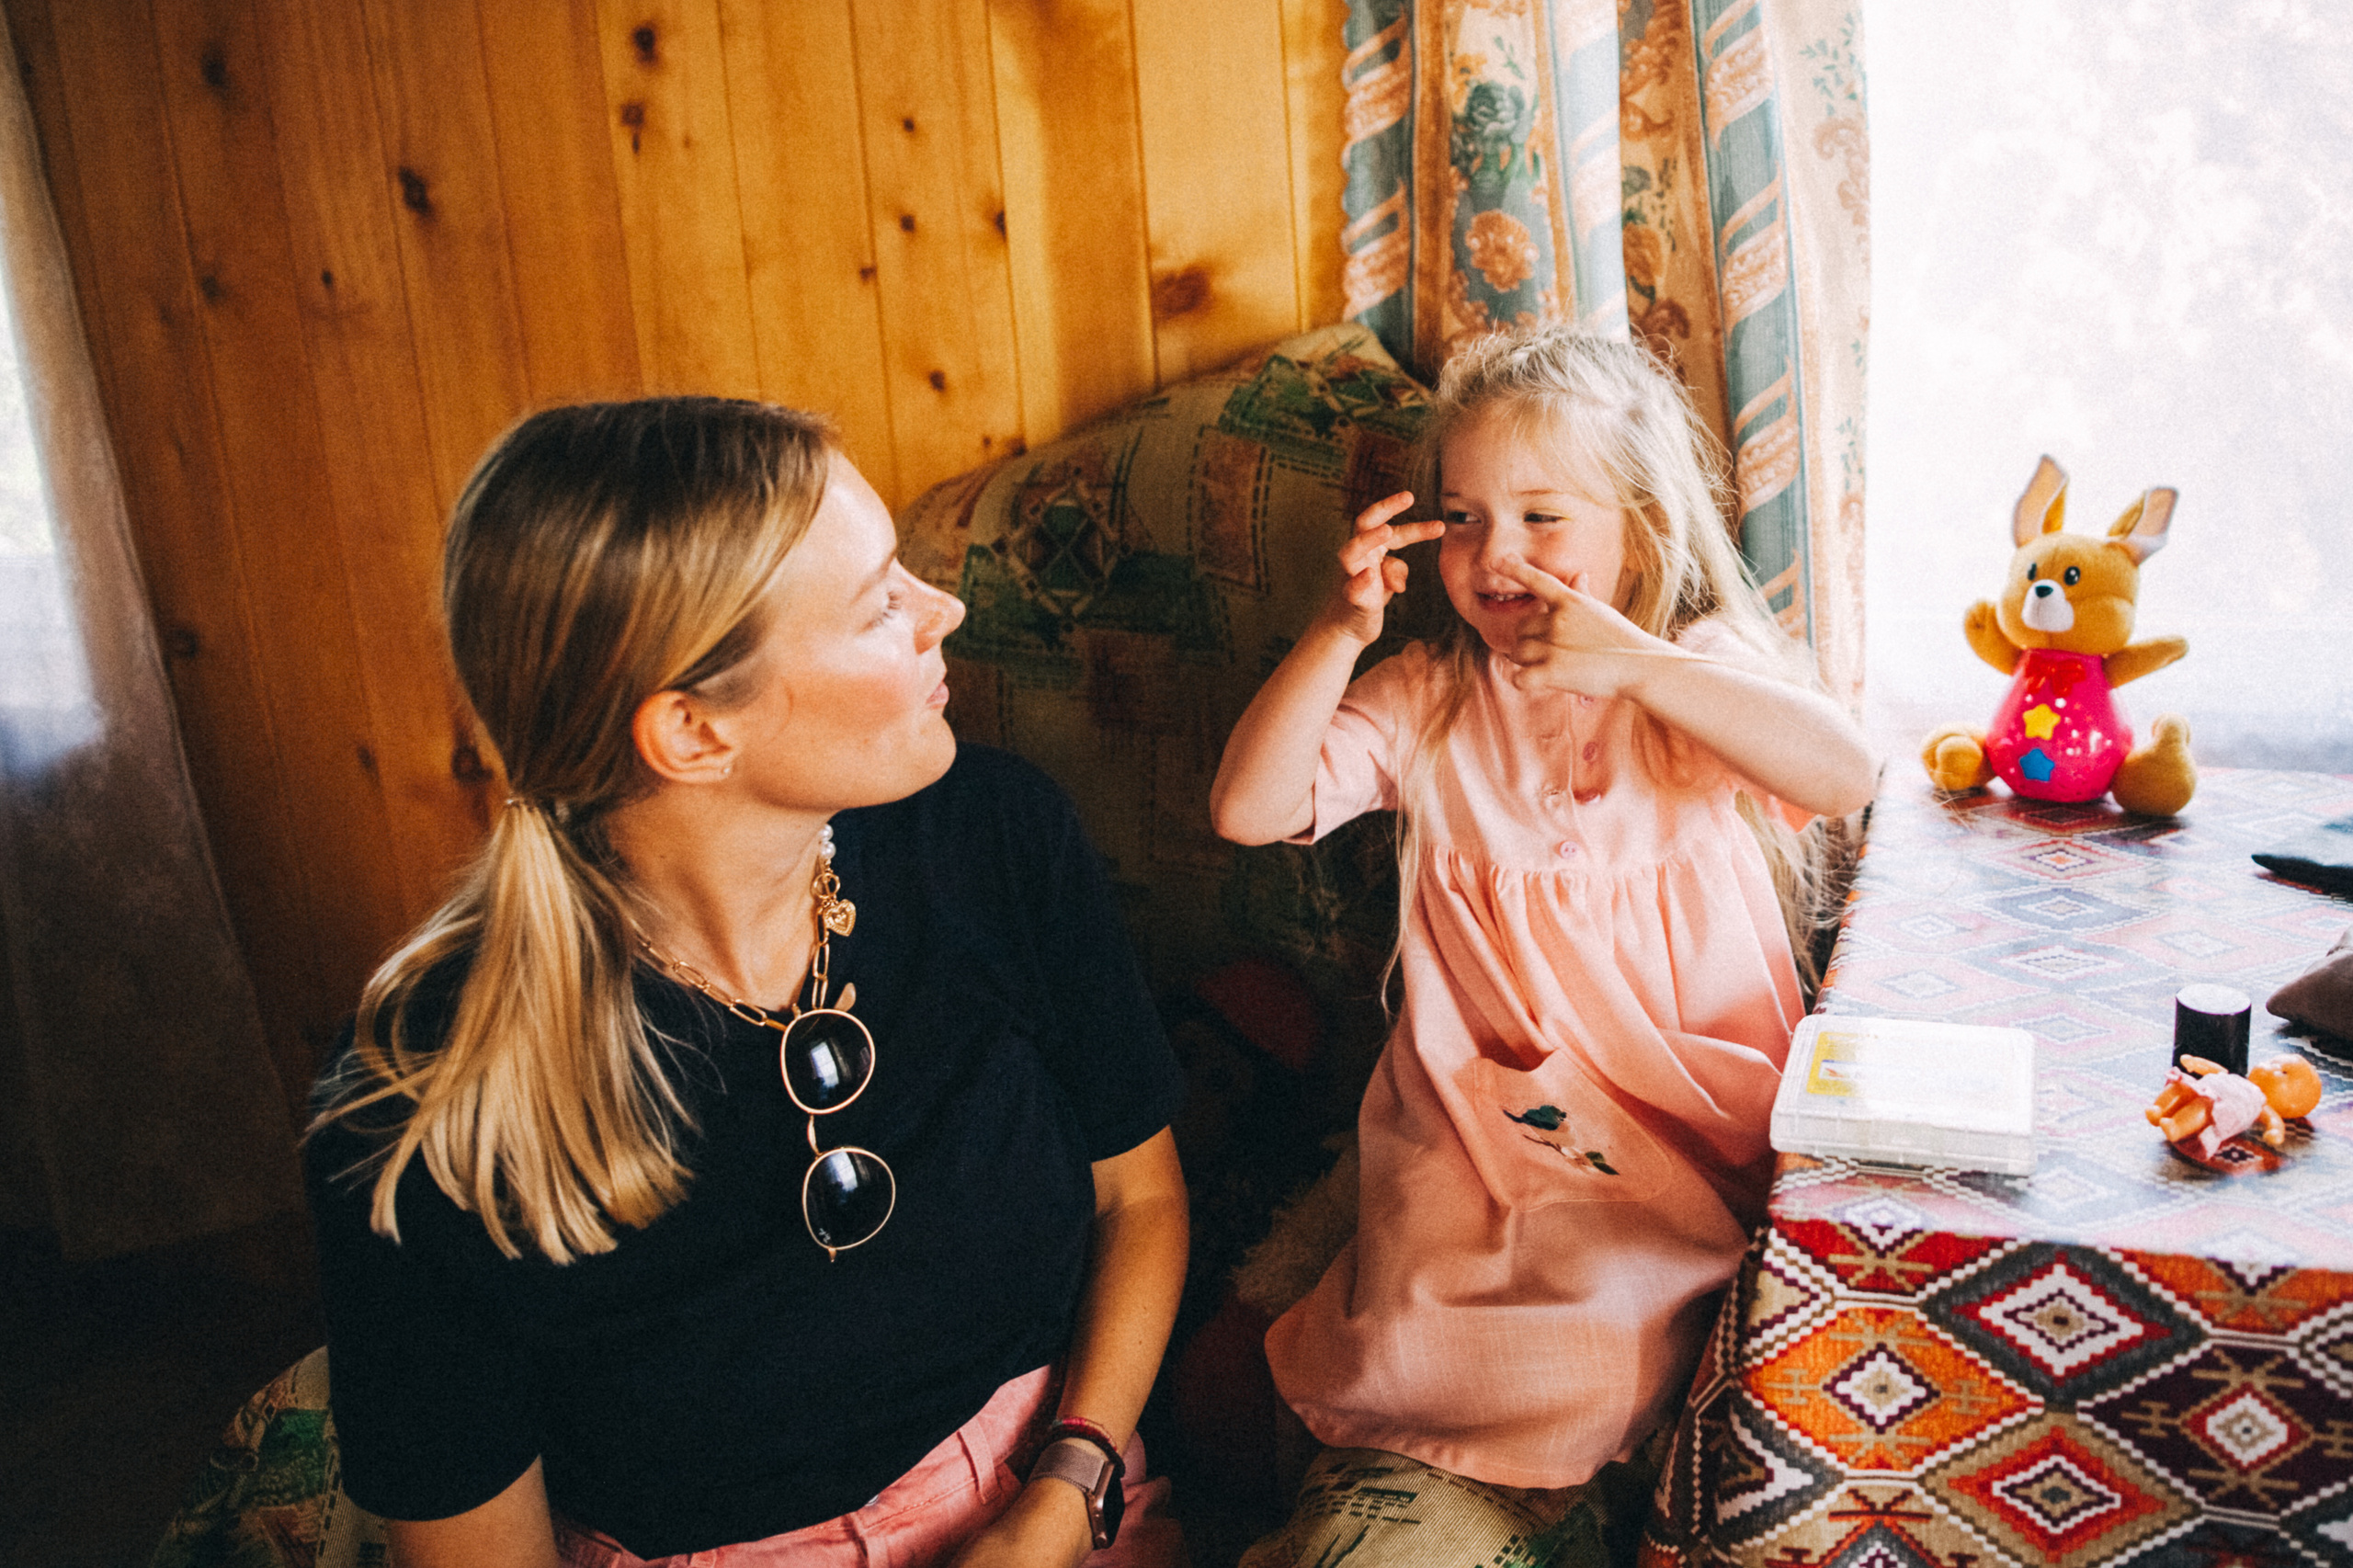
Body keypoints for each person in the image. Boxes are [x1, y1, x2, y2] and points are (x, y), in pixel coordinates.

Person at [303, 398, 1189, 1568]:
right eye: (881, 603)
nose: (946, 611)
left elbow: (1142, 1201)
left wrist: (1064, 1489)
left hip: (1061, 1487)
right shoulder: (417, 1113)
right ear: (690, 733)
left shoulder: (995, 833)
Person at [1210, 327, 1878, 1559]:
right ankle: (1463, 1475)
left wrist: (1640, 665)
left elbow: (1844, 773)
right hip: (1483, 1130)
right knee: (1418, 1321)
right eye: (1461, 518)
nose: (1494, 554)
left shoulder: (1689, 674)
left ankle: (1579, 1464)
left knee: (1607, 1329)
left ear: (1637, 522)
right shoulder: (1431, 696)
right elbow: (1248, 807)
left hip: (1686, 1127)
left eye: (1541, 516)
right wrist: (1337, 632)